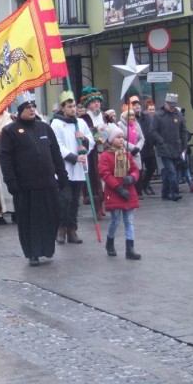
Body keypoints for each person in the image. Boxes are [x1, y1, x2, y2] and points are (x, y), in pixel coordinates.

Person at [0, 92, 68, 266]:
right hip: (25, 185)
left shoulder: (44, 127)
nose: (32, 109)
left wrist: (62, 174)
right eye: (28, 107)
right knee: (30, 220)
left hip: (47, 182)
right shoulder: (10, 131)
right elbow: (6, 159)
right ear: (20, 110)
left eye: (33, 106)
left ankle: (46, 247)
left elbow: (55, 153)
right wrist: (11, 182)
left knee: (51, 216)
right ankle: (32, 252)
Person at [51, 90, 94, 245]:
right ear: (63, 108)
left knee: (75, 200)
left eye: (74, 106)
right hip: (65, 168)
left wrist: (84, 141)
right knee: (65, 199)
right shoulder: (56, 124)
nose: (73, 109)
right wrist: (74, 157)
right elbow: (57, 145)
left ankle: (72, 229)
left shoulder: (81, 123)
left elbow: (91, 139)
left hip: (79, 169)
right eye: (69, 106)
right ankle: (61, 228)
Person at [98, 125, 141, 260]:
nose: (121, 140)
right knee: (115, 220)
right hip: (115, 192)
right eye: (118, 137)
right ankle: (110, 242)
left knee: (129, 220)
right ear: (111, 140)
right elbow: (105, 174)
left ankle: (130, 248)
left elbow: (135, 169)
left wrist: (132, 177)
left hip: (128, 191)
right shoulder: (105, 156)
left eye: (123, 137)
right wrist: (118, 188)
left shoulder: (126, 154)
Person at [149, 93, 189, 202]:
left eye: (174, 106)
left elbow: (183, 131)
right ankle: (174, 192)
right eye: (170, 106)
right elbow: (153, 131)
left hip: (177, 147)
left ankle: (165, 192)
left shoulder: (178, 115)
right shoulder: (158, 116)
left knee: (169, 171)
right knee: (171, 171)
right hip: (164, 148)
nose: (172, 108)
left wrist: (184, 144)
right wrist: (161, 141)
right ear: (165, 104)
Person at [79, 86, 107, 219]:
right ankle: (97, 207)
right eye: (93, 102)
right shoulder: (84, 118)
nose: (97, 104)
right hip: (92, 153)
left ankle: (103, 204)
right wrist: (97, 133)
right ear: (88, 104)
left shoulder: (104, 117)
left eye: (98, 101)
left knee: (105, 179)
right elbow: (87, 135)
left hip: (104, 151)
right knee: (94, 179)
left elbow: (110, 133)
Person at [118, 105, 145, 198]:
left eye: (133, 116)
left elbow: (142, 138)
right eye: (129, 116)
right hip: (125, 151)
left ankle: (138, 192)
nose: (132, 118)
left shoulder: (137, 125)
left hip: (136, 152)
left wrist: (137, 148)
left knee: (137, 170)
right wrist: (132, 147)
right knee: (126, 172)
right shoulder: (120, 125)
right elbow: (120, 139)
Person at [136, 98, 156, 195]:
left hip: (149, 146)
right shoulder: (131, 118)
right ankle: (138, 190)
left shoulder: (147, 117)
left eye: (138, 105)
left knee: (152, 167)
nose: (137, 106)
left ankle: (144, 184)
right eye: (135, 105)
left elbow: (152, 130)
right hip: (138, 148)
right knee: (138, 170)